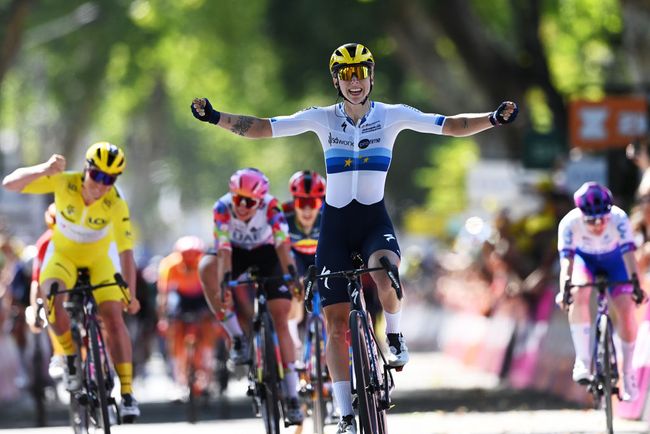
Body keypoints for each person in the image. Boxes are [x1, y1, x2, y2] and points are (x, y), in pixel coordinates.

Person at [191, 42, 518, 433]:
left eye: (361, 73)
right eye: (346, 75)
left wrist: (493, 118)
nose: (355, 81)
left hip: (372, 221)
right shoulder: (323, 119)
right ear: (336, 81)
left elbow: (449, 124)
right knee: (335, 324)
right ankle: (346, 412)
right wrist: (215, 117)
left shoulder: (393, 116)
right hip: (335, 226)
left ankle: (394, 337)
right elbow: (263, 127)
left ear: (371, 76)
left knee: (385, 274)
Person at [2, 142, 141, 420]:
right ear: (86, 169)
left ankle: (126, 392)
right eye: (98, 176)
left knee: (113, 317)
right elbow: (9, 184)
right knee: (51, 295)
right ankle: (67, 356)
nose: (102, 185)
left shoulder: (115, 202)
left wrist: (131, 293)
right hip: (63, 257)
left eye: (110, 179)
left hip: (99, 261)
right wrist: (44, 169)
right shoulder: (65, 183)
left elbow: (126, 251)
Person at [198, 167, 304, 425]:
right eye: (238, 199)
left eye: (249, 202)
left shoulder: (272, 208)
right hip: (234, 253)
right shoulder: (222, 208)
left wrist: (290, 277)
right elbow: (223, 250)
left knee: (280, 317)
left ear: (260, 201)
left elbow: (282, 245)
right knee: (206, 267)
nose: (243, 206)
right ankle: (236, 336)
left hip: (268, 253)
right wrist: (224, 283)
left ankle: (292, 396)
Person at [556, 182, 645, 401]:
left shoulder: (619, 218)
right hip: (585, 262)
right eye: (591, 221)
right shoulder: (569, 223)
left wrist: (636, 284)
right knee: (578, 293)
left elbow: (629, 256)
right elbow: (566, 262)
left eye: (602, 219)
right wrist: (564, 289)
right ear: (581, 214)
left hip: (616, 262)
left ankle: (628, 372)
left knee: (626, 309)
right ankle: (583, 361)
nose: (598, 225)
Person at [157, 235, 218, 399]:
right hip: (181, 297)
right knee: (175, 329)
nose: (189, 261)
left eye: (193, 256)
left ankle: (207, 365)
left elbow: (214, 290)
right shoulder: (170, 266)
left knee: (207, 325)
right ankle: (179, 378)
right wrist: (163, 318)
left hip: (202, 295)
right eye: (185, 257)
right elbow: (164, 294)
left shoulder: (205, 264)